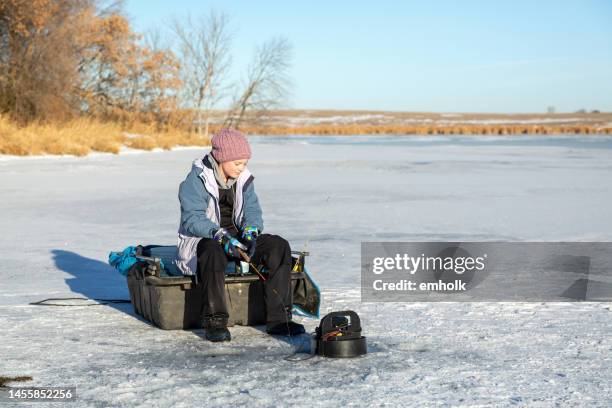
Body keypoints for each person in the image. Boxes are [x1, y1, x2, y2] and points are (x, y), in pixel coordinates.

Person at [175, 128, 305, 342]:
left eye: (244, 162)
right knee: (212, 250)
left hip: (237, 238)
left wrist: (251, 232)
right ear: (221, 158)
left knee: (278, 246)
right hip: (204, 240)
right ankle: (215, 321)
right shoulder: (196, 180)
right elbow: (192, 219)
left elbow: (252, 210)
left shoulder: (244, 179)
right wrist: (221, 236)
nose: (242, 168)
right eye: (237, 163)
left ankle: (280, 319)